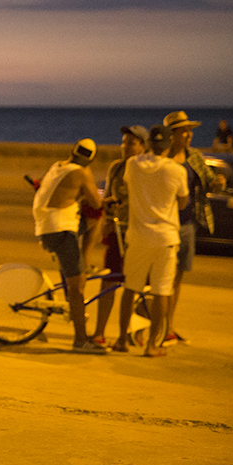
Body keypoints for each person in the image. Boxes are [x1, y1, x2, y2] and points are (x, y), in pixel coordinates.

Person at [113, 125, 189, 357]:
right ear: (169, 145)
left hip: (137, 237)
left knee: (130, 288)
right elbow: (183, 202)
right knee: (161, 292)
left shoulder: (132, 165)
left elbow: (128, 186)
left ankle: (121, 340)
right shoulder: (176, 170)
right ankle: (152, 345)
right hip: (165, 237)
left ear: (148, 144)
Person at [31, 138, 106, 353]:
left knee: (92, 220)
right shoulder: (82, 172)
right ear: (91, 160)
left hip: (46, 226)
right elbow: (96, 202)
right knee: (76, 288)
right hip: (61, 231)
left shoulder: (57, 166)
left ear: (73, 151)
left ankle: (82, 265)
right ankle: (81, 340)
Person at [163, 110, 226, 346]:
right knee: (161, 279)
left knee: (176, 279)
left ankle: (169, 327)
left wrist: (218, 183)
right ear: (172, 134)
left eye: (190, 131)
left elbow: (210, 183)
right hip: (164, 225)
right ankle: (154, 325)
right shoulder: (160, 158)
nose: (189, 135)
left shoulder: (194, 157)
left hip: (187, 223)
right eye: (184, 131)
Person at [90, 125, 147, 346]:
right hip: (117, 232)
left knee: (141, 286)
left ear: (143, 147)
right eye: (124, 142)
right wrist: (105, 220)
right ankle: (99, 332)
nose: (125, 147)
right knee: (109, 281)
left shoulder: (147, 169)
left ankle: (136, 333)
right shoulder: (116, 167)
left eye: (131, 143)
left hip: (139, 233)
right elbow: (108, 195)